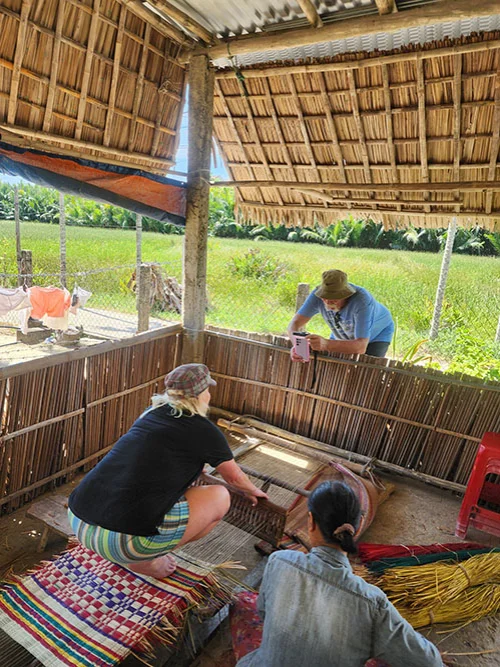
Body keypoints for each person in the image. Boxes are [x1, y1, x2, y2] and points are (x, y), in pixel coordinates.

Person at [68, 363, 267, 579]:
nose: (209, 394)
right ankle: (144, 560)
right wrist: (253, 490)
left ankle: (140, 553)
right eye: (207, 390)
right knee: (219, 497)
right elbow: (234, 477)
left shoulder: (150, 413)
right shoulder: (204, 429)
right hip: (121, 543)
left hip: (79, 520)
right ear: (200, 395)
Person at [236, 481, 443, 667]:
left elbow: (263, 612)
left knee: (244, 602)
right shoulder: (372, 603)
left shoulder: (278, 561)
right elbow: (430, 662)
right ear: (357, 527)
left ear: (311, 522)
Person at [288, 270, 394, 359]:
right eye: (325, 297)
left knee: (368, 370)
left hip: (376, 335)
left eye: (334, 298)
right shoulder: (316, 296)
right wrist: (297, 346)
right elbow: (295, 323)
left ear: (346, 294)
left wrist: (325, 344)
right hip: (342, 333)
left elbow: (360, 347)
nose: (328, 301)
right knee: (333, 366)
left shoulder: (361, 301)